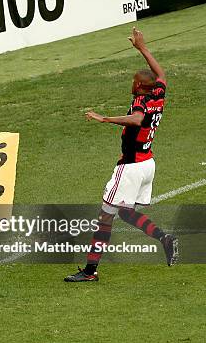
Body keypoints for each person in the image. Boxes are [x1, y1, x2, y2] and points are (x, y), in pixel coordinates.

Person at [64, 27, 178, 282]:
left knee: (105, 217)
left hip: (130, 167)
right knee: (125, 212)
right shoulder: (157, 94)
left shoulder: (140, 101)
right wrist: (142, 49)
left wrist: (104, 118)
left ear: (138, 85)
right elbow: (162, 74)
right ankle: (164, 237)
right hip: (147, 162)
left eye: (133, 79)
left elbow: (137, 119)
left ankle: (90, 271)